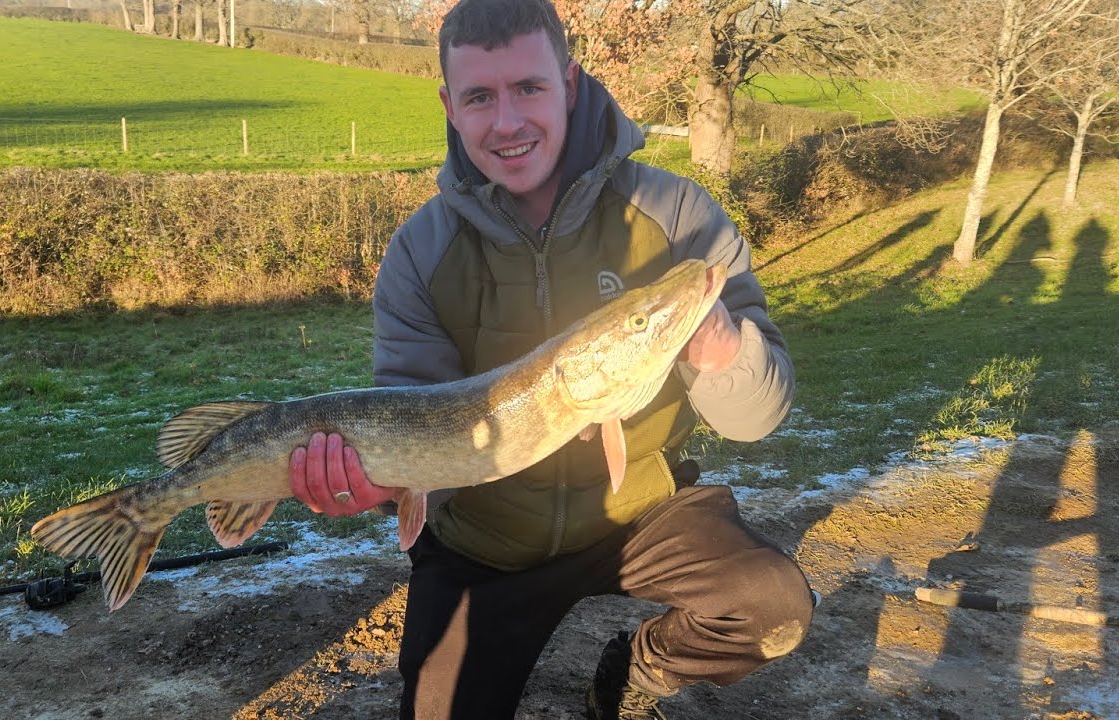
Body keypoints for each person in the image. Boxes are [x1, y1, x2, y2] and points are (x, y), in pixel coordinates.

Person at [287, 1, 814, 717]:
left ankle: (637, 672)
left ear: (569, 82)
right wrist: (379, 482)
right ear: (450, 103)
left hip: (640, 515)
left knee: (771, 606)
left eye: (528, 89)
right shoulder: (420, 251)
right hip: (487, 540)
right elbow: (425, 433)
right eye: (480, 97)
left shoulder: (677, 217)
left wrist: (720, 342)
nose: (506, 123)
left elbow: (757, 418)